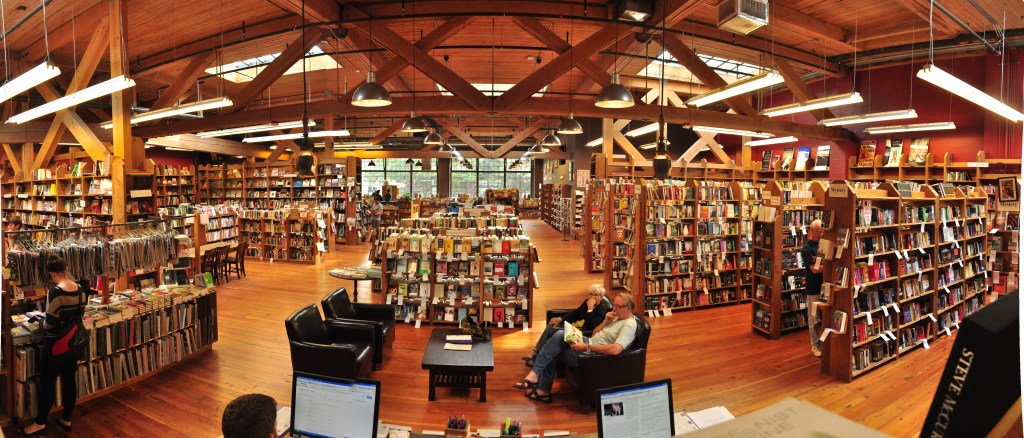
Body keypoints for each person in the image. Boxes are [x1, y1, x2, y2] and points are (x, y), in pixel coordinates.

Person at [513, 293, 638, 403]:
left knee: (554, 346)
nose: (613, 308)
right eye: (614, 305)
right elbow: (594, 333)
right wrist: (606, 321)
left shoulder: (629, 325)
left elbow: (616, 349)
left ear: (628, 308)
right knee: (558, 335)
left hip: (592, 356)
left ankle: (539, 384)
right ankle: (538, 382)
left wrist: (587, 347)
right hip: (588, 342)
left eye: (617, 306)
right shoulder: (616, 317)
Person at [19, 255, 88, 436]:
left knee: (48, 383)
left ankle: (40, 422)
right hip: (73, 344)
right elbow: (79, 315)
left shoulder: (56, 292)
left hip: (56, 345)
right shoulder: (80, 288)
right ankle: (66, 419)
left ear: (51, 274)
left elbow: (50, 324)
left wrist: (37, 320)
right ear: (65, 269)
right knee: (69, 381)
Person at [522, 283, 612, 367]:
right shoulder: (587, 302)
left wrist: (590, 310)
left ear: (601, 297)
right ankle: (536, 353)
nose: (592, 297)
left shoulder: (603, 310)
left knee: (557, 332)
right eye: (591, 294)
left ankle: (536, 359)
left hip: (585, 334)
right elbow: (576, 313)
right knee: (551, 327)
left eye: (596, 295)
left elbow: (592, 326)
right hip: (579, 328)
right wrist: (560, 319)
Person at [802, 219, 825, 357]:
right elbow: (814, 269)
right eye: (818, 231)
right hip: (813, 287)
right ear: (811, 231)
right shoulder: (806, 249)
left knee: (825, 316)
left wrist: (821, 263)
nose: (821, 234)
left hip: (825, 286)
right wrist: (827, 265)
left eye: (823, 231)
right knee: (813, 318)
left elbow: (820, 265)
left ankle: (824, 343)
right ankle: (815, 345)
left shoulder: (824, 245)